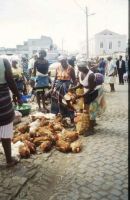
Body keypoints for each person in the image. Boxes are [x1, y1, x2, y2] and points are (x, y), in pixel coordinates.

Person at [71, 59, 106, 136]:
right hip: (87, 91)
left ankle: (91, 129)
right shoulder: (81, 72)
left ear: (84, 67)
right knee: (85, 109)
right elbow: (81, 84)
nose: (78, 69)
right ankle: (88, 124)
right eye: (78, 67)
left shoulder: (91, 75)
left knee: (92, 109)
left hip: (95, 92)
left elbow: (91, 88)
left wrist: (81, 95)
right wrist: (74, 88)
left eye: (79, 67)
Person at [0, 57, 22, 167]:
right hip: (2, 102)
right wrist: (18, 96)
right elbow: (10, 80)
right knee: (5, 131)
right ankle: (9, 160)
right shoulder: (3, 61)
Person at [50, 55, 76, 122]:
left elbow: (74, 80)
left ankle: (71, 118)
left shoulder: (70, 68)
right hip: (59, 85)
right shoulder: (58, 67)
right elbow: (55, 79)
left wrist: (73, 90)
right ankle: (60, 117)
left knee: (68, 102)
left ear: (66, 61)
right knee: (57, 101)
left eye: (64, 61)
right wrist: (52, 88)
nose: (63, 63)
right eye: (61, 62)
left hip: (67, 86)